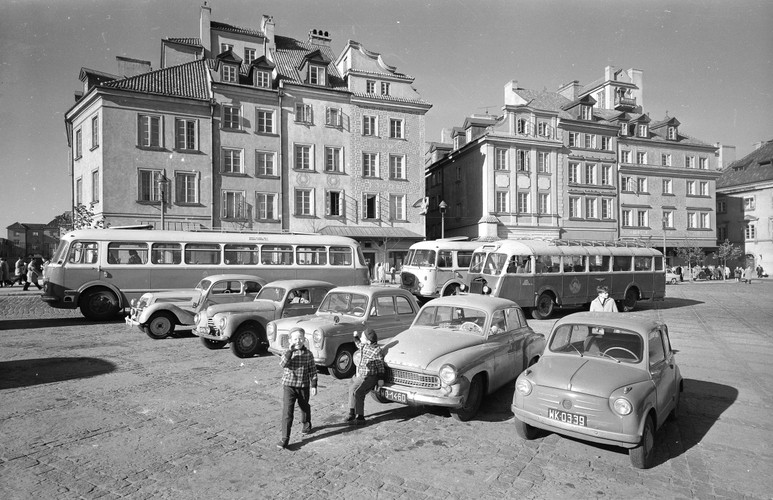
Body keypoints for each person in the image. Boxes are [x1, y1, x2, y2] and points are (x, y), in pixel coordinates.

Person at [278, 327, 317, 449]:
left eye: (300, 338)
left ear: (304, 339)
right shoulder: (286, 352)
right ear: (290, 340)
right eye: (295, 339)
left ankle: (306, 423)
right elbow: (283, 364)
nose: (298, 341)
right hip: (289, 386)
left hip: (303, 386)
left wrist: (314, 385)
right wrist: (290, 352)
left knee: (304, 406)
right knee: (287, 412)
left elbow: (313, 371)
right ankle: (285, 438)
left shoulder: (308, 354)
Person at [345, 327, 385, 426]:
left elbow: (380, 367)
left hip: (371, 377)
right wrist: (356, 336)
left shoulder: (377, 351)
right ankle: (351, 412)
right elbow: (358, 343)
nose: (361, 339)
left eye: (363, 337)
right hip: (362, 376)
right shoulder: (364, 346)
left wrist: (380, 379)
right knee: (352, 388)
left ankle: (360, 416)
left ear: (368, 340)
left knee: (359, 392)